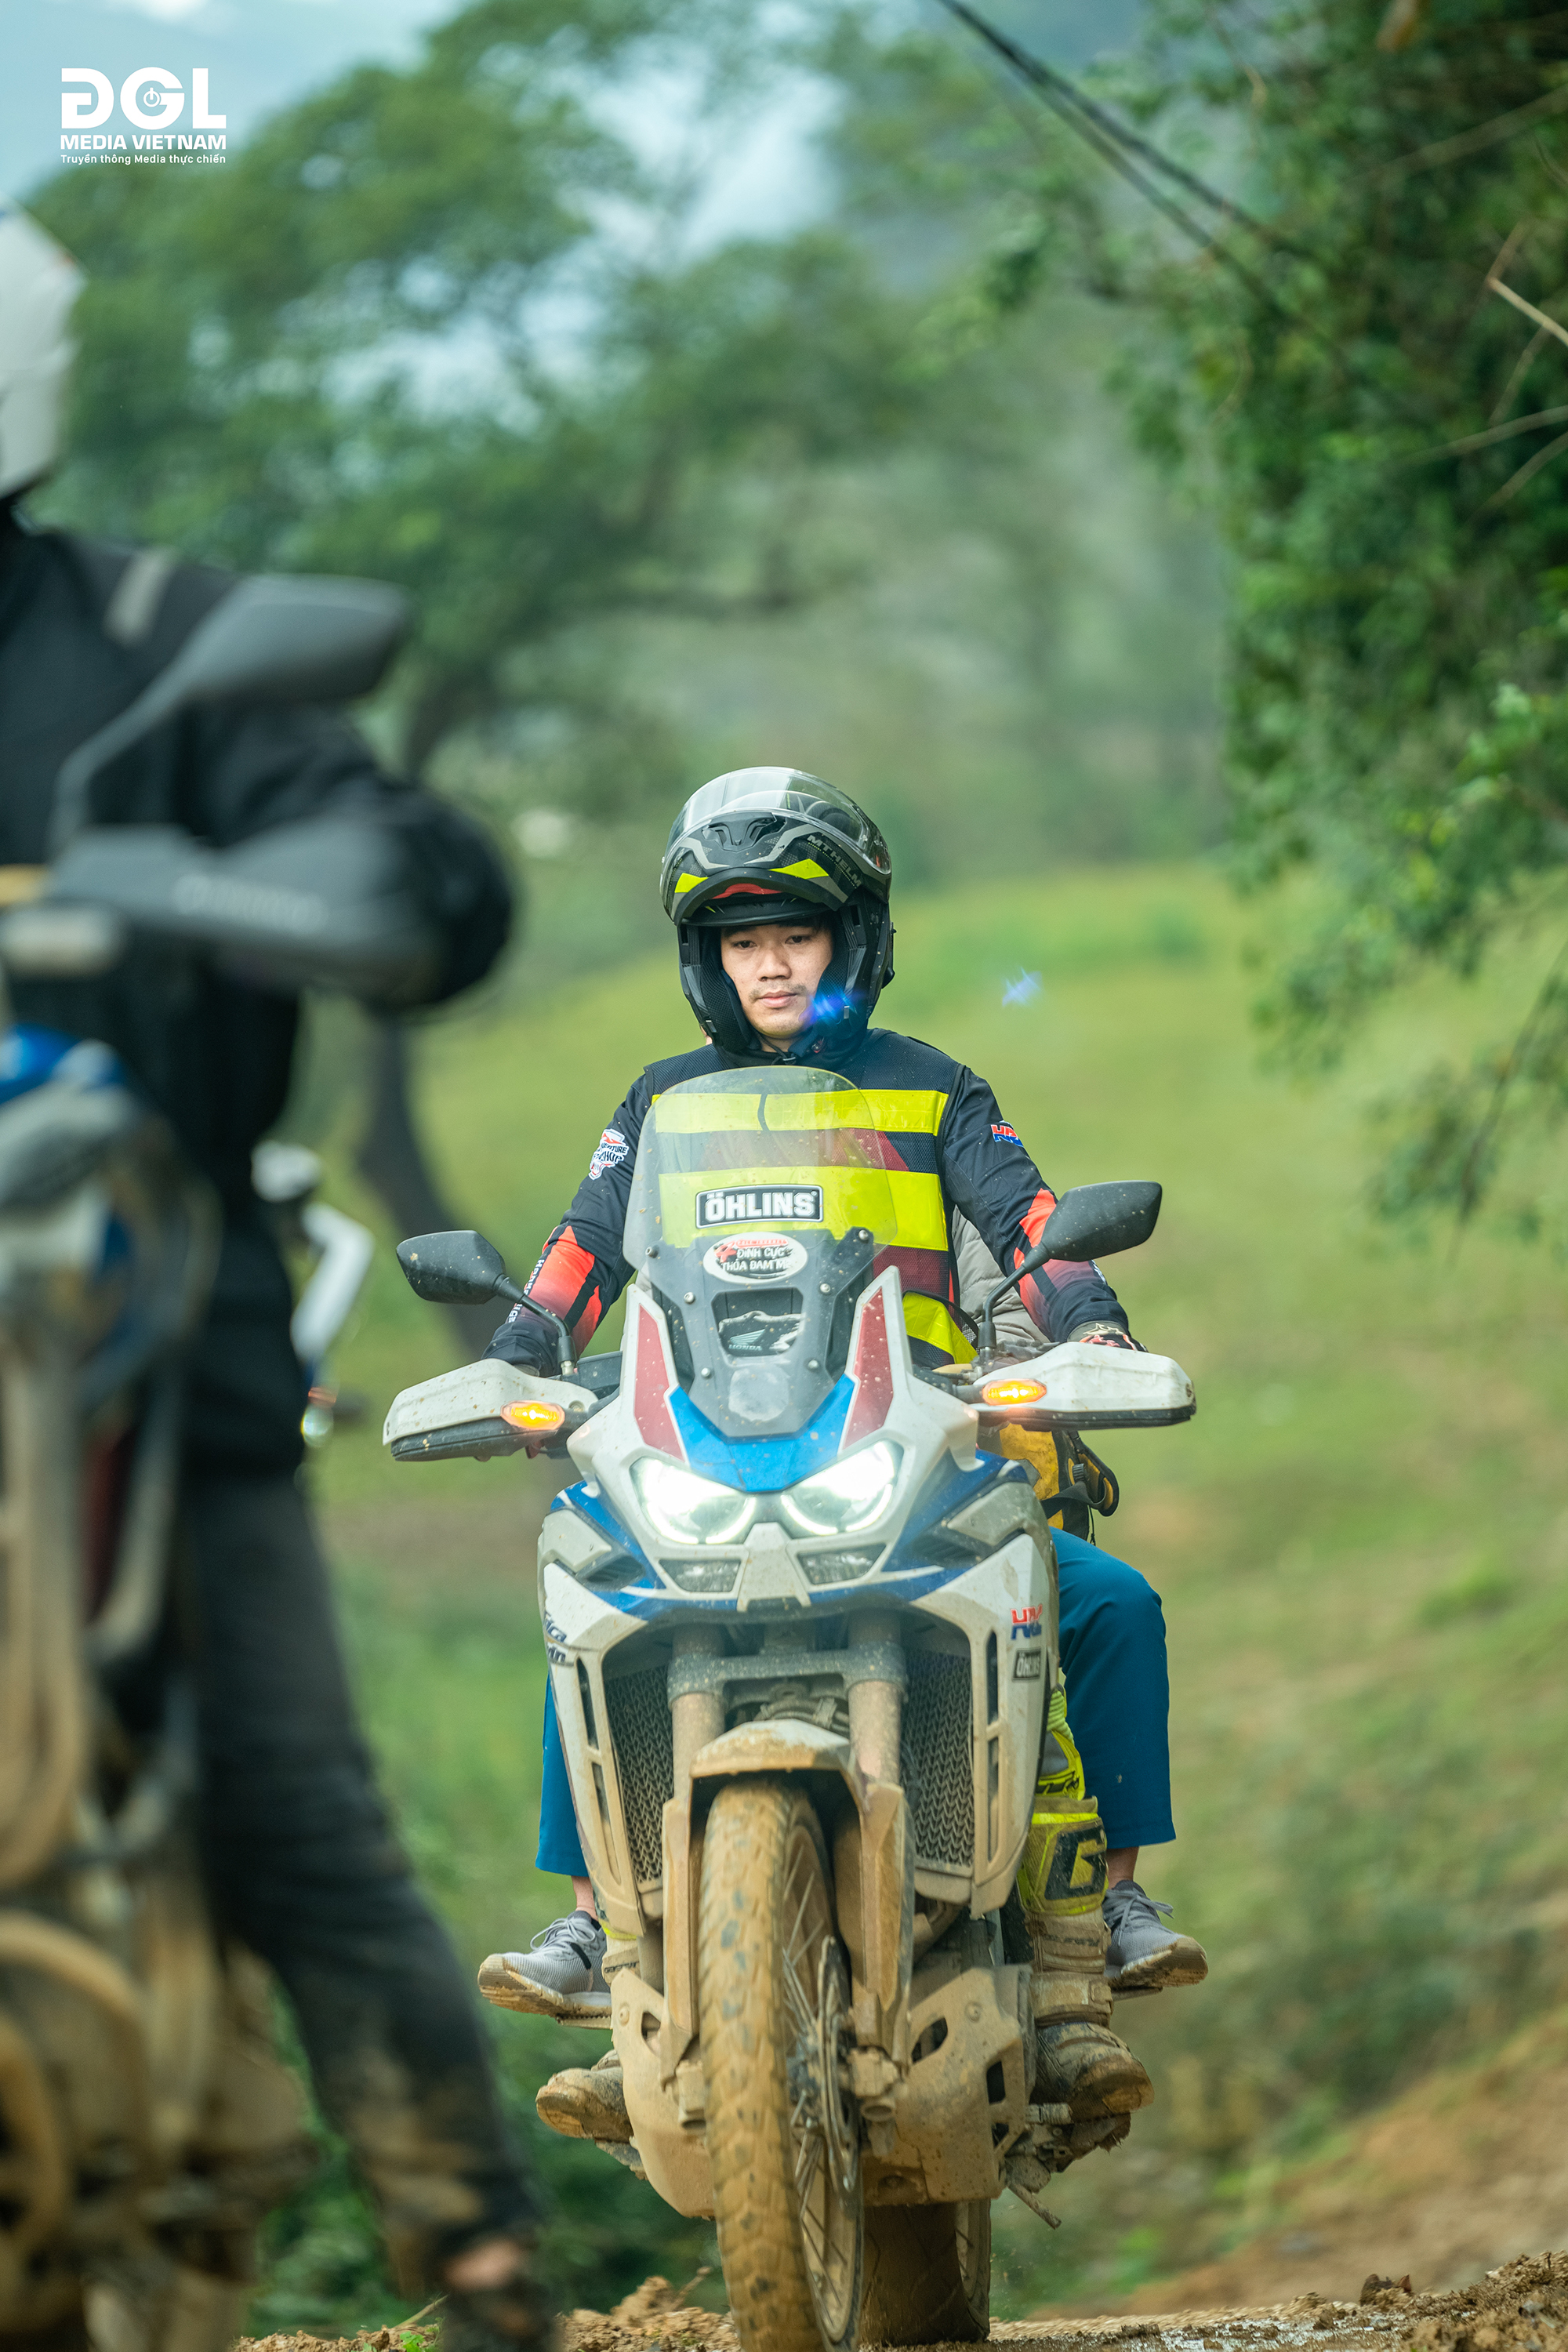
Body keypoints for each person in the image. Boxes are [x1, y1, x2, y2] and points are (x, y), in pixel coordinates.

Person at [0, 203, 546, 2351]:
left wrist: (299, 879)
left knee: (296, 1799)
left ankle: (473, 2245)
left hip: (141, 1329)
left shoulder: (157, 644)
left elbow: (414, 867)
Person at [476, 765, 1206, 2122]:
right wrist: (520, 1351)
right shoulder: (658, 1105)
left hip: (920, 1455)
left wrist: (1091, 1329)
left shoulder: (936, 1091)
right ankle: (601, 1927)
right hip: (710, 1459)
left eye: (795, 935)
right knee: (588, 1588)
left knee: (1107, 1603)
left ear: (852, 939)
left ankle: (1096, 1924)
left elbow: (1033, 1224)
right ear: (706, 960)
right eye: (742, 942)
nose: (768, 966)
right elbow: (582, 1250)